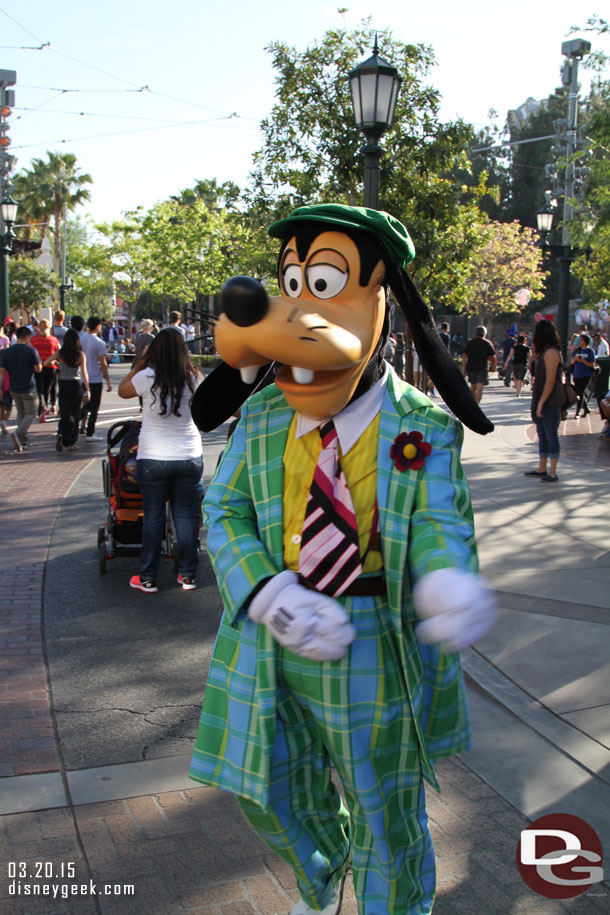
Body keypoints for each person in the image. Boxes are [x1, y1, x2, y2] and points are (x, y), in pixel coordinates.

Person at [189, 204, 496, 915]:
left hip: (372, 649)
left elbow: (439, 518)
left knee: (388, 822)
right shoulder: (263, 412)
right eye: (292, 282)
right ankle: (323, 871)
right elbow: (225, 508)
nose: (299, 304)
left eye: (323, 282)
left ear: (379, 299)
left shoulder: (420, 425)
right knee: (263, 787)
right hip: (270, 638)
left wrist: (448, 575)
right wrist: (265, 592)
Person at [118, 330, 204, 593]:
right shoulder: (195, 377)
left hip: (153, 455)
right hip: (188, 454)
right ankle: (187, 575)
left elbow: (122, 391)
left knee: (153, 517)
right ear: (183, 351)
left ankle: (148, 578)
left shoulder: (146, 376)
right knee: (186, 516)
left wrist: (142, 361)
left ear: (154, 351)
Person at [524, 319, 564, 482]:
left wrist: (541, 403)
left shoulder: (551, 353)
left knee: (550, 434)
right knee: (542, 433)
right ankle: (542, 467)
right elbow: (532, 370)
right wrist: (533, 356)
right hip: (542, 397)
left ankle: (552, 472)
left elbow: (550, 380)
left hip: (551, 400)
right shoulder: (543, 352)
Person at [45, 329, 90, 452]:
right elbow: (84, 373)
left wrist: (58, 364)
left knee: (65, 412)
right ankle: (71, 441)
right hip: (75, 384)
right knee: (75, 413)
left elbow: (46, 362)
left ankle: (61, 433)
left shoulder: (61, 353)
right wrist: (88, 389)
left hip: (63, 384)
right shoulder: (80, 354)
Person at [0, 326, 42, 452]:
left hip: (14, 387)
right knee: (32, 413)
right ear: (27, 337)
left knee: (21, 413)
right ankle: (18, 433)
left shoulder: (7, 352)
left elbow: (1, 372)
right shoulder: (31, 350)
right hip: (28, 387)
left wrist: (0, 387)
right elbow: (38, 369)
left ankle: (22, 440)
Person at [79, 316, 112, 441]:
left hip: (83, 376)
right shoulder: (99, 342)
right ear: (98, 326)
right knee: (94, 406)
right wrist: (108, 380)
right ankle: (89, 432)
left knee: (87, 402)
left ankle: (78, 421)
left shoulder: (81, 339)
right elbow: (103, 363)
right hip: (95, 377)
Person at [30, 319, 60, 417]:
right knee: (47, 389)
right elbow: (59, 353)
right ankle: (45, 406)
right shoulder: (54, 340)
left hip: (38, 367)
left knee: (40, 388)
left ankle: (42, 406)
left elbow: (29, 353)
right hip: (51, 367)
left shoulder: (34, 340)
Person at [462, 326, 497, 403]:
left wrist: (464, 368)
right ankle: (477, 405)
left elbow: (464, 355)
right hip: (482, 368)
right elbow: (493, 357)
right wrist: (494, 366)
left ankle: (473, 404)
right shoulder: (487, 343)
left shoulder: (470, 342)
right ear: (484, 334)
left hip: (471, 367)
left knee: (473, 387)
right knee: (480, 388)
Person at [569, 333, 596, 418]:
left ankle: (578, 411)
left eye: (581, 340)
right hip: (577, 374)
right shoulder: (577, 350)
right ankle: (586, 408)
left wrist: (583, 361)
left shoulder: (590, 351)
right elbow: (571, 362)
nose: (579, 341)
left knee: (581, 392)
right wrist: (576, 359)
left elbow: (592, 364)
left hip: (586, 374)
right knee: (579, 392)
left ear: (585, 341)